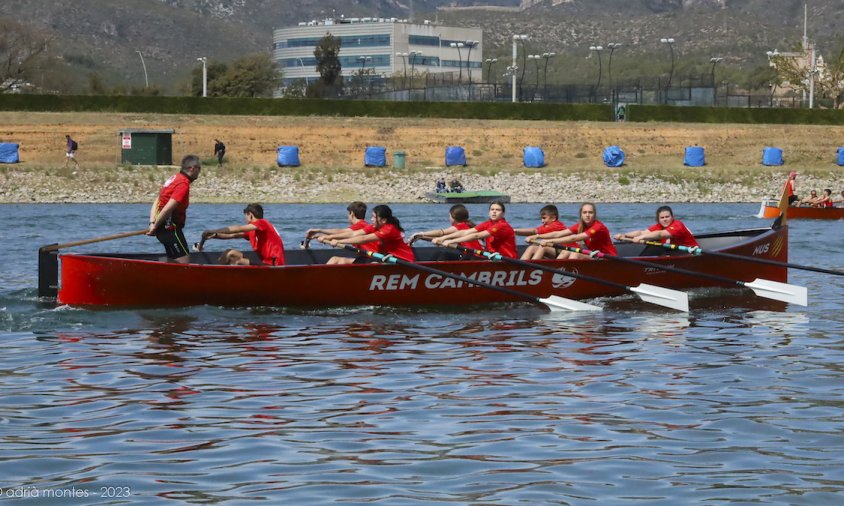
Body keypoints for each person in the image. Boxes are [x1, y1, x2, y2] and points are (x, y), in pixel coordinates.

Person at [147, 154, 202, 263]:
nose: (199, 172)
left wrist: (152, 222)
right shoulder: (183, 184)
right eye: (199, 169)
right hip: (170, 228)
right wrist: (154, 225)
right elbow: (168, 208)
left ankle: (161, 271)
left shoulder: (174, 178)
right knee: (184, 262)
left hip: (162, 228)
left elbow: (158, 200)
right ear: (192, 168)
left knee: (173, 260)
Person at [199, 203, 285, 266]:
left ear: (250, 215)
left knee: (238, 262)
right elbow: (233, 235)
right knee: (230, 253)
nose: (245, 220)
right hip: (264, 263)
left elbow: (238, 228)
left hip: (275, 265)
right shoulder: (253, 230)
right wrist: (215, 235)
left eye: (246, 217)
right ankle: (217, 275)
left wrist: (213, 230)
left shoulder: (262, 223)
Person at [328, 205, 415, 262]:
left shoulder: (389, 229)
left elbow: (363, 239)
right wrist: (329, 237)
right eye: (371, 217)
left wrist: (340, 242)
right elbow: (354, 234)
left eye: (374, 217)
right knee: (336, 260)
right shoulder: (374, 226)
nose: (371, 219)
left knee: (373, 263)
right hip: (387, 258)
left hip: (403, 260)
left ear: (383, 220)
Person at [434, 201, 517, 258]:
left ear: (503, 213)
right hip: (493, 257)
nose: (494, 212)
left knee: (445, 254)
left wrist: (451, 241)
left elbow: (477, 235)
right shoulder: (487, 224)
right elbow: (465, 232)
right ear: (489, 212)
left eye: (497, 210)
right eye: (492, 210)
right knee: (441, 253)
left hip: (507, 260)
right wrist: (443, 238)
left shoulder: (502, 225)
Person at [537, 202, 617, 260]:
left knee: (575, 254)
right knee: (566, 252)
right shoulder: (580, 226)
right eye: (584, 212)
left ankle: (567, 277)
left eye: (590, 212)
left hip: (608, 258)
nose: (587, 215)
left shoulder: (598, 227)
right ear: (581, 215)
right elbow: (558, 234)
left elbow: (574, 238)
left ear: (594, 215)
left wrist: (549, 241)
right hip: (595, 255)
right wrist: (537, 236)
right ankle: (554, 272)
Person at [306, 201, 379, 264]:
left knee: (334, 260)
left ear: (352, 214)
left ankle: (317, 278)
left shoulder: (360, 225)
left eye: (348, 214)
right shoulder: (364, 225)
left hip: (371, 259)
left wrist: (319, 230)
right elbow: (342, 234)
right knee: (337, 260)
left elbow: (341, 232)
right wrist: (320, 235)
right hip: (365, 258)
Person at [408, 204, 483, 260]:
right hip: (472, 255)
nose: (449, 218)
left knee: (442, 253)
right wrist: (421, 237)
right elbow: (440, 239)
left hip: (472, 256)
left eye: (449, 216)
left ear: (453, 217)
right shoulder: (468, 225)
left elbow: (441, 233)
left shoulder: (459, 227)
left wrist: (422, 233)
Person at [614, 205, 699, 248]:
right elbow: (641, 232)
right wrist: (624, 235)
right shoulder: (659, 225)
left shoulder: (678, 225)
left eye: (667, 217)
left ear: (672, 217)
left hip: (689, 252)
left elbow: (660, 234)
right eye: (662, 218)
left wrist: (641, 237)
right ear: (658, 219)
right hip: (672, 251)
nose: (665, 219)